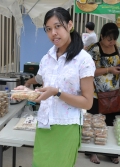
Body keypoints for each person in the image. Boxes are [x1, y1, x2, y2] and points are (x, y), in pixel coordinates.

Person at [15, 7, 95, 167]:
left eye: (58, 26)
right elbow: (44, 96)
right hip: (43, 124)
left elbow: (87, 103)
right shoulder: (46, 59)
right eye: (48, 29)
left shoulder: (83, 60)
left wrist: (57, 93)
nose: (53, 33)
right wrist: (28, 93)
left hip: (66, 127)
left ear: (70, 25)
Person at [86, 22, 120, 164]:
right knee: (95, 122)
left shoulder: (117, 48)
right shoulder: (95, 49)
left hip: (114, 93)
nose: (111, 42)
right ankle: (92, 152)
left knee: (113, 123)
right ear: (102, 36)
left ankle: (111, 152)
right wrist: (110, 70)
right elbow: (90, 71)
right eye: (109, 39)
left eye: (114, 39)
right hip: (96, 94)